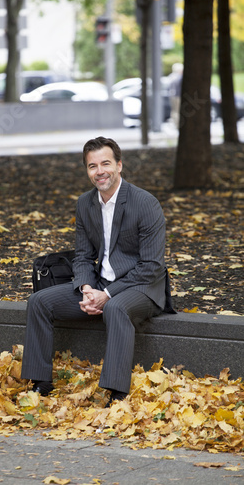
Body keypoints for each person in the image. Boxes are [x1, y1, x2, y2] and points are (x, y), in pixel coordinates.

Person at [21, 137, 175, 406]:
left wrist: (106, 294)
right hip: (101, 286)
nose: (100, 171)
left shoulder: (145, 203)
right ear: (87, 171)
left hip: (142, 288)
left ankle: (116, 394)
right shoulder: (85, 203)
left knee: (115, 307)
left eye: (105, 163)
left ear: (119, 165)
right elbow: (82, 256)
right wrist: (86, 289)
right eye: (92, 166)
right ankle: (40, 383)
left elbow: (151, 266)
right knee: (38, 302)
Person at [169, 62, 183, 128]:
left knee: (174, 111)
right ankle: (178, 125)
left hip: (173, 96)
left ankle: (176, 124)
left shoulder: (171, 76)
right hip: (178, 96)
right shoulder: (179, 77)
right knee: (177, 111)